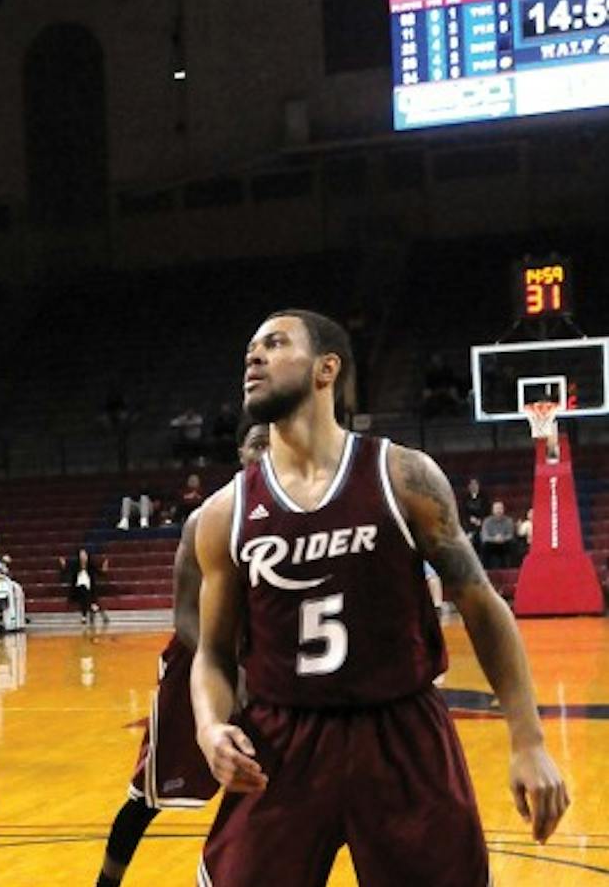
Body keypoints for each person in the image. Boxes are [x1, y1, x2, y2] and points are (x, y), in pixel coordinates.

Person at [191, 309, 569, 885]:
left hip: (401, 735)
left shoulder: (403, 476)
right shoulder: (224, 514)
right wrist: (210, 727)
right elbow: (213, 654)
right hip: (281, 744)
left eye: (274, 343)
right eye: (249, 349)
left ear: (326, 369)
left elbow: (482, 605)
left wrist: (529, 739)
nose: (253, 357)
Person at [95, 423, 269, 887]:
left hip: (267, 669)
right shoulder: (208, 519)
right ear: (240, 453)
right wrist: (230, 668)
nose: (266, 451)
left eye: (274, 441)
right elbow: (186, 618)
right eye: (257, 443)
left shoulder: (303, 520)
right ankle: (106, 882)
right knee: (146, 796)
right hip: (198, 667)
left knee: (274, 786)